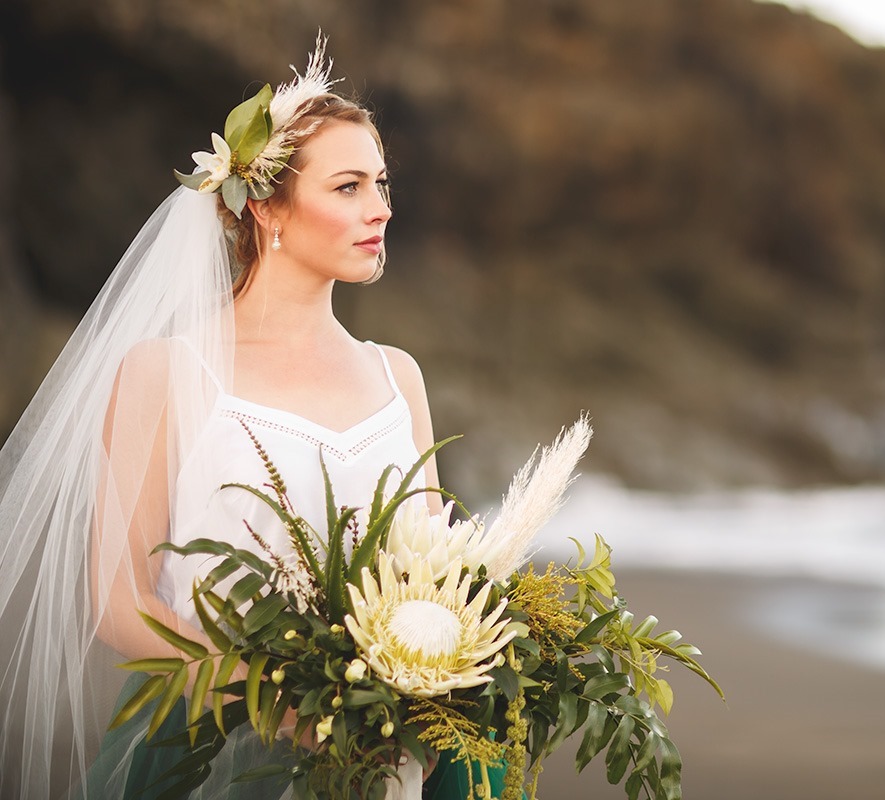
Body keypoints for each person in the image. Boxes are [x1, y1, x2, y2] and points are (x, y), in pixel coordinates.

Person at [0, 37, 507, 799]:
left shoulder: (397, 375)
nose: (380, 208)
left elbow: (432, 582)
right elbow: (116, 601)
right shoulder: (164, 373)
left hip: (393, 751)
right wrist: (268, 696)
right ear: (267, 205)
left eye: (381, 183)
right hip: (209, 744)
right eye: (348, 187)